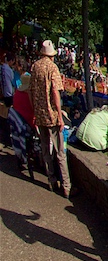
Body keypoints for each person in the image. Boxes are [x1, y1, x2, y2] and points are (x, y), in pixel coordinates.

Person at [29, 40, 72, 198]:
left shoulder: (35, 66)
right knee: (60, 152)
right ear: (52, 55)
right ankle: (67, 186)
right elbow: (55, 92)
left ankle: (51, 181)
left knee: (46, 149)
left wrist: (34, 111)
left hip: (39, 114)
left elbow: (30, 91)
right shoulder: (52, 68)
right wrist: (60, 116)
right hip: (52, 115)